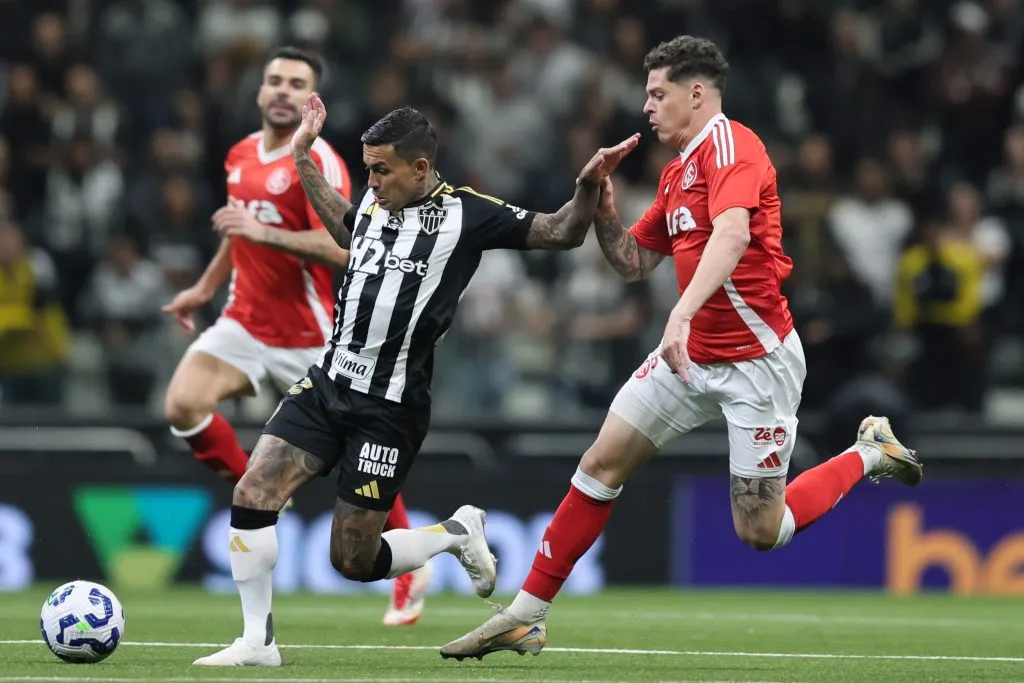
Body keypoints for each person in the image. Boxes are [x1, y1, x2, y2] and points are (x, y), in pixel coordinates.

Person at [440, 34, 924, 660]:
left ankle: (867, 452)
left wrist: (679, 315)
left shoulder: (734, 147)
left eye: (657, 93)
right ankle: (526, 617)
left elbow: (731, 234)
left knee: (761, 532)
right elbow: (633, 262)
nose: (646, 106)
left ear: (696, 94)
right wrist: (600, 204)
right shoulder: (675, 174)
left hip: (757, 362)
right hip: (691, 355)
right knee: (600, 463)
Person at [192, 93, 639, 667]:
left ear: (420, 167)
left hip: (390, 407)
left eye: (380, 169)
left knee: (352, 561)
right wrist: (303, 155)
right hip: (327, 385)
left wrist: (584, 187)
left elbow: (560, 232)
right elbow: (345, 227)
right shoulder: (376, 206)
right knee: (253, 491)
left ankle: (455, 532)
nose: (370, 181)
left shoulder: (469, 214)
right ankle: (258, 642)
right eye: (366, 169)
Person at [160, 46, 426, 627]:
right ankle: (252, 487)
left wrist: (261, 230)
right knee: (182, 403)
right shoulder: (237, 155)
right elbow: (238, 233)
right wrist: (203, 290)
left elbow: (343, 246)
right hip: (243, 321)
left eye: (295, 83)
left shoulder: (323, 162)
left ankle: (410, 570)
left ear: (312, 99)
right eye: (274, 80)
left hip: (310, 333)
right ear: (259, 92)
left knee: (361, 454)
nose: (282, 90)